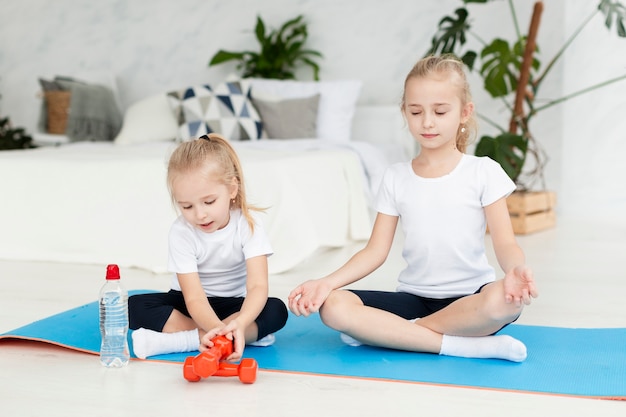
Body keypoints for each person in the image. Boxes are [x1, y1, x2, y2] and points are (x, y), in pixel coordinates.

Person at [288, 54, 538, 362]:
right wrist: (326, 283)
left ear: (464, 112)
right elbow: (375, 251)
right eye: (416, 111)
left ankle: (398, 333)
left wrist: (514, 271)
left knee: (506, 302)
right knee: (334, 306)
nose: (427, 122)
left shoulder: (483, 171)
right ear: (405, 112)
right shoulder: (395, 177)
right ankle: (461, 345)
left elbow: (505, 242)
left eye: (440, 111)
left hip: (471, 299)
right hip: (414, 299)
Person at [129, 133, 288, 361]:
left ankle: (188, 340)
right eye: (187, 206)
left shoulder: (248, 223)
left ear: (232, 189)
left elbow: (257, 286)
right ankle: (233, 338)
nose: (200, 214)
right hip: (189, 302)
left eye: (209, 202)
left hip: (233, 304)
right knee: (134, 306)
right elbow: (193, 297)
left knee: (276, 310)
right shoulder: (181, 231)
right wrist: (218, 328)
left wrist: (241, 321)